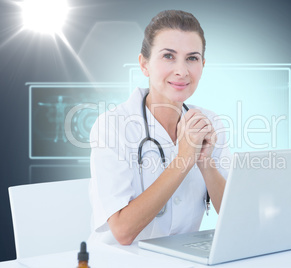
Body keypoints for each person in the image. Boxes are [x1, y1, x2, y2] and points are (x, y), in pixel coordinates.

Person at [89, 10, 231, 246]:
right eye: (168, 56)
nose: (182, 71)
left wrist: (205, 163)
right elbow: (122, 232)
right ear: (144, 64)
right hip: (117, 260)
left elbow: (232, 215)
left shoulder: (209, 123)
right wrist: (184, 158)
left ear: (202, 65)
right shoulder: (112, 126)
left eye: (192, 58)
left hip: (182, 259)